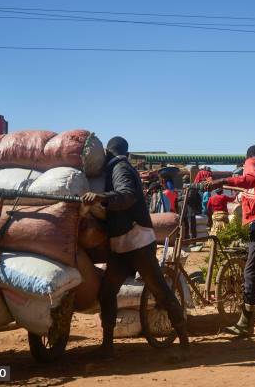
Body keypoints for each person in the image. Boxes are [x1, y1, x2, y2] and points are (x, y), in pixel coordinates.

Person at [81, 137, 189, 359]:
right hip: (122, 244)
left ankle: (185, 342)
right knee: (107, 292)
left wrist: (101, 197)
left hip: (136, 241)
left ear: (109, 153)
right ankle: (108, 346)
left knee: (160, 290)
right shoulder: (115, 168)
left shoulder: (119, 168)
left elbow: (127, 195)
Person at [205, 145, 255, 337]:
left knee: (251, 273)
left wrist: (220, 181)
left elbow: (249, 180)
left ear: (247, 157)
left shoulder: (252, 162)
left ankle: (246, 323)